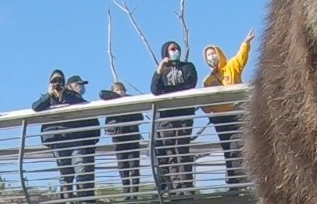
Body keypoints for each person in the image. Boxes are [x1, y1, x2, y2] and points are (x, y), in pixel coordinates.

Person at [198, 34, 254, 186]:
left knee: (237, 146)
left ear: (219, 53)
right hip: (219, 118)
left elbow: (241, 58)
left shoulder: (231, 67)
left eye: (213, 53)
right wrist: (206, 109)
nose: (211, 57)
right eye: (208, 55)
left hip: (235, 114)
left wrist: (245, 43)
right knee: (227, 149)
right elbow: (206, 102)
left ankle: (242, 180)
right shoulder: (207, 80)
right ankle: (232, 181)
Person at [33, 69, 94, 200]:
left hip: (74, 138)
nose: (57, 84)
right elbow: (35, 107)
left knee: (81, 168)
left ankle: (82, 201)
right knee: (65, 174)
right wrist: (49, 94)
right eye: (54, 81)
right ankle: (67, 202)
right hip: (58, 140)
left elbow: (81, 103)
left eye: (60, 81)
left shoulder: (71, 95)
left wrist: (64, 94)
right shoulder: (47, 98)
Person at [150, 41, 200, 194]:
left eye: (177, 48)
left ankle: (187, 187)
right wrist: (159, 70)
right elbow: (155, 90)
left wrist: (168, 91)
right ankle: (175, 188)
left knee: (181, 149)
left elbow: (190, 84)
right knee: (170, 151)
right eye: (172, 49)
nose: (175, 51)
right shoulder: (162, 71)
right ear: (166, 52)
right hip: (167, 117)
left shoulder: (188, 66)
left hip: (184, 115)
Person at [99, 79, 143, 194]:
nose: (121, 92)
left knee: (134, 166)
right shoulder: (111, 101)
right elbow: (102, 94)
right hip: (119, 138)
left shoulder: (131, 100)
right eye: (118, 90)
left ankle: (134, 193)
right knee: (123, 166)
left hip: (132, 137)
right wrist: (116, 97)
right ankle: (126, 193)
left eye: (122, 90)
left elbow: (139, 117)